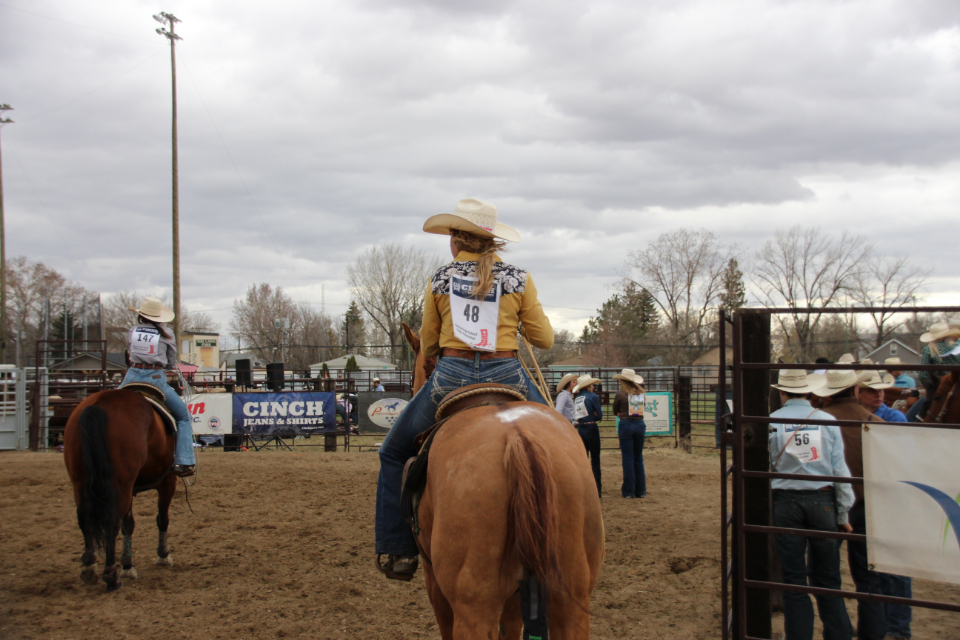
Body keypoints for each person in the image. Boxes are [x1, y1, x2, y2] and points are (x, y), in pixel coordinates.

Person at [374, 198, 553, 581]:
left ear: (456, 239)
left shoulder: (440, 279)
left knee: (392, 452)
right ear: (491, 239)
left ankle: (399, 548)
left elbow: (429, 344)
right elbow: (546, 340)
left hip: (450, 377)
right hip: (507, 373)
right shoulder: (518, 279)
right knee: (562, 439)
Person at [769, 369, 855, 640]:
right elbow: (839, 470)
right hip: (822, 500)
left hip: (786, 500)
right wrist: (843, 513)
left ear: (782, 392)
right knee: (828, 578)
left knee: (794, 580)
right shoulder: (826, 420)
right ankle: (839, 634)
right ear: (809, 391)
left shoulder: (771, 421)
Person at [815, 369, 887, 640]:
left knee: (825, 573)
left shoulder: (820, 420)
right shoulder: (876, 422)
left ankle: (839, 631)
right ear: (855, 390)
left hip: (832, 504)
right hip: (869, 504)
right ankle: (873, 632)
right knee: (868, 576)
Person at [857, 368, 912, 640]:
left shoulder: (894, 418)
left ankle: (897, 626)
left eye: (880, 390)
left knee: (894, 566)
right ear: (858, 392)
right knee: (874, 565)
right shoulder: (885, 417)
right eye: (871, 390)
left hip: (890, 493)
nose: (878, 394)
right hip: (873, 494)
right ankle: (882, 624)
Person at [120, 297, 195, 477]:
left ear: (141, 315)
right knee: (184, 416)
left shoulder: (133, 331)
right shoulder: (167, 334)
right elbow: (171, 360)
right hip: (155, 379)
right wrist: (167, 366)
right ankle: (184, 460)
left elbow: (130, 351)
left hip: (131, 376)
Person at [612, 368, 647, 499]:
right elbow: (641, 410)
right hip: (639, 424)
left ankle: (629, 490)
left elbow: (615, 411)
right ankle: (641, 490)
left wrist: (621, 413)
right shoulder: (640, 394)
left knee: (627, 458)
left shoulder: (620, 395)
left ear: (623, 381)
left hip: (626, 424)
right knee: (638, 458)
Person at [573, 374, 603, 497]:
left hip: (581, 428)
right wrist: (594, 415)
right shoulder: (592, 397)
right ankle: (597, 489)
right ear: (588, 386)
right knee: (595, 460)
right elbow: (599, 415)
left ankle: (584, 487)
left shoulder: (577, 398)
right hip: (591, 428)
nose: (593, 387)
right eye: (592, 385)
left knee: (584, 459)